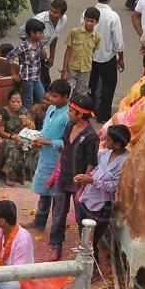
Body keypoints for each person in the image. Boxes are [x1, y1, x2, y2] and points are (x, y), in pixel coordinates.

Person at [74, 124, 130, 265]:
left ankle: (92, 267)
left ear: (117, 145)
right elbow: (97, 170)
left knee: (92, 239)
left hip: (102, 205)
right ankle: (85, 263)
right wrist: (85, 179)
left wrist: (92, 180)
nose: (104, 142)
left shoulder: (125, 162)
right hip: (88, 197)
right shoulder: (105, 153)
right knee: (84, 234)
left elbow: (114, 186)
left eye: (109, 140)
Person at [50, 95, 96, 259]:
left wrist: (82, 188)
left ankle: (85, 250)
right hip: (63, 177)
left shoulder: (90, 136)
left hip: (78, 182)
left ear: (80, 114)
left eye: (71, 111)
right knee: (58, 213)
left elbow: (91, 163)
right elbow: (64, 150)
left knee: (80, 217)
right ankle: (56, 245)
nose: (68, 113)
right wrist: (55, 173)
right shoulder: (69, 125)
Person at [31, 79, 72, 231]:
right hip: (45, 158)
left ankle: (56, 229)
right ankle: (39, 221)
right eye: (50, 96)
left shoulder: (68, 116)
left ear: (65, 97)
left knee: (57, 197)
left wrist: (47, 141)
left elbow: (66, 142)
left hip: (57, 159)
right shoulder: (51, 109)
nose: (51, 99)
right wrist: (38, 141)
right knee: (44, 193)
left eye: (55, 96)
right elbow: (45, 128)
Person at [85, 0, 125, 122]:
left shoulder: (87, 13)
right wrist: (121, 58)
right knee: (108, 85)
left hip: (90, 55)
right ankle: (103, 115)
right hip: (107, 56)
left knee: (91, 84)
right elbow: (118, 39)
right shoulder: (113, 16)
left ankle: (89, 111)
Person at [61, 7, 100, 98]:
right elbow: (68, 50)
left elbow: (92, 52)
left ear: (96, 22)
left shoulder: (97, 37)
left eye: (91, 21)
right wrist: (64, 69)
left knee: (82, 93)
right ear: (84, 19)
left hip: (86, 69)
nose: (88, 23)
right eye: (87, 20)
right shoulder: (75, 32)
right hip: (72, 67)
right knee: (67, 91)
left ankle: (77, 111)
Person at [8, 19, 46, 110]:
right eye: (40, 33)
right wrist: (13, 73)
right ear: (32, 33)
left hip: (36, 77)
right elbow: (10, 57)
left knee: (42, 98)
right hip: (27, 78)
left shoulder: (38, 44)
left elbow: (43, 56)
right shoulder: (24, 46)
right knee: (28, 101)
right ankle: (26, 120)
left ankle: (36, 117)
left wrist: (43, 50)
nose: (42, 35)